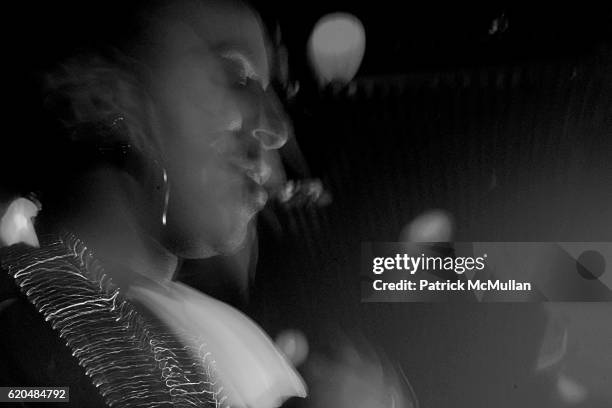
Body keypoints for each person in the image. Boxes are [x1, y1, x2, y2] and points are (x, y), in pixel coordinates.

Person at [0, 0, 306, 407]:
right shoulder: (20, 344)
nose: (275, 129)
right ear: (105, 95)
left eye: (272, 92)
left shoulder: (242, 348)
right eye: (236, 76)